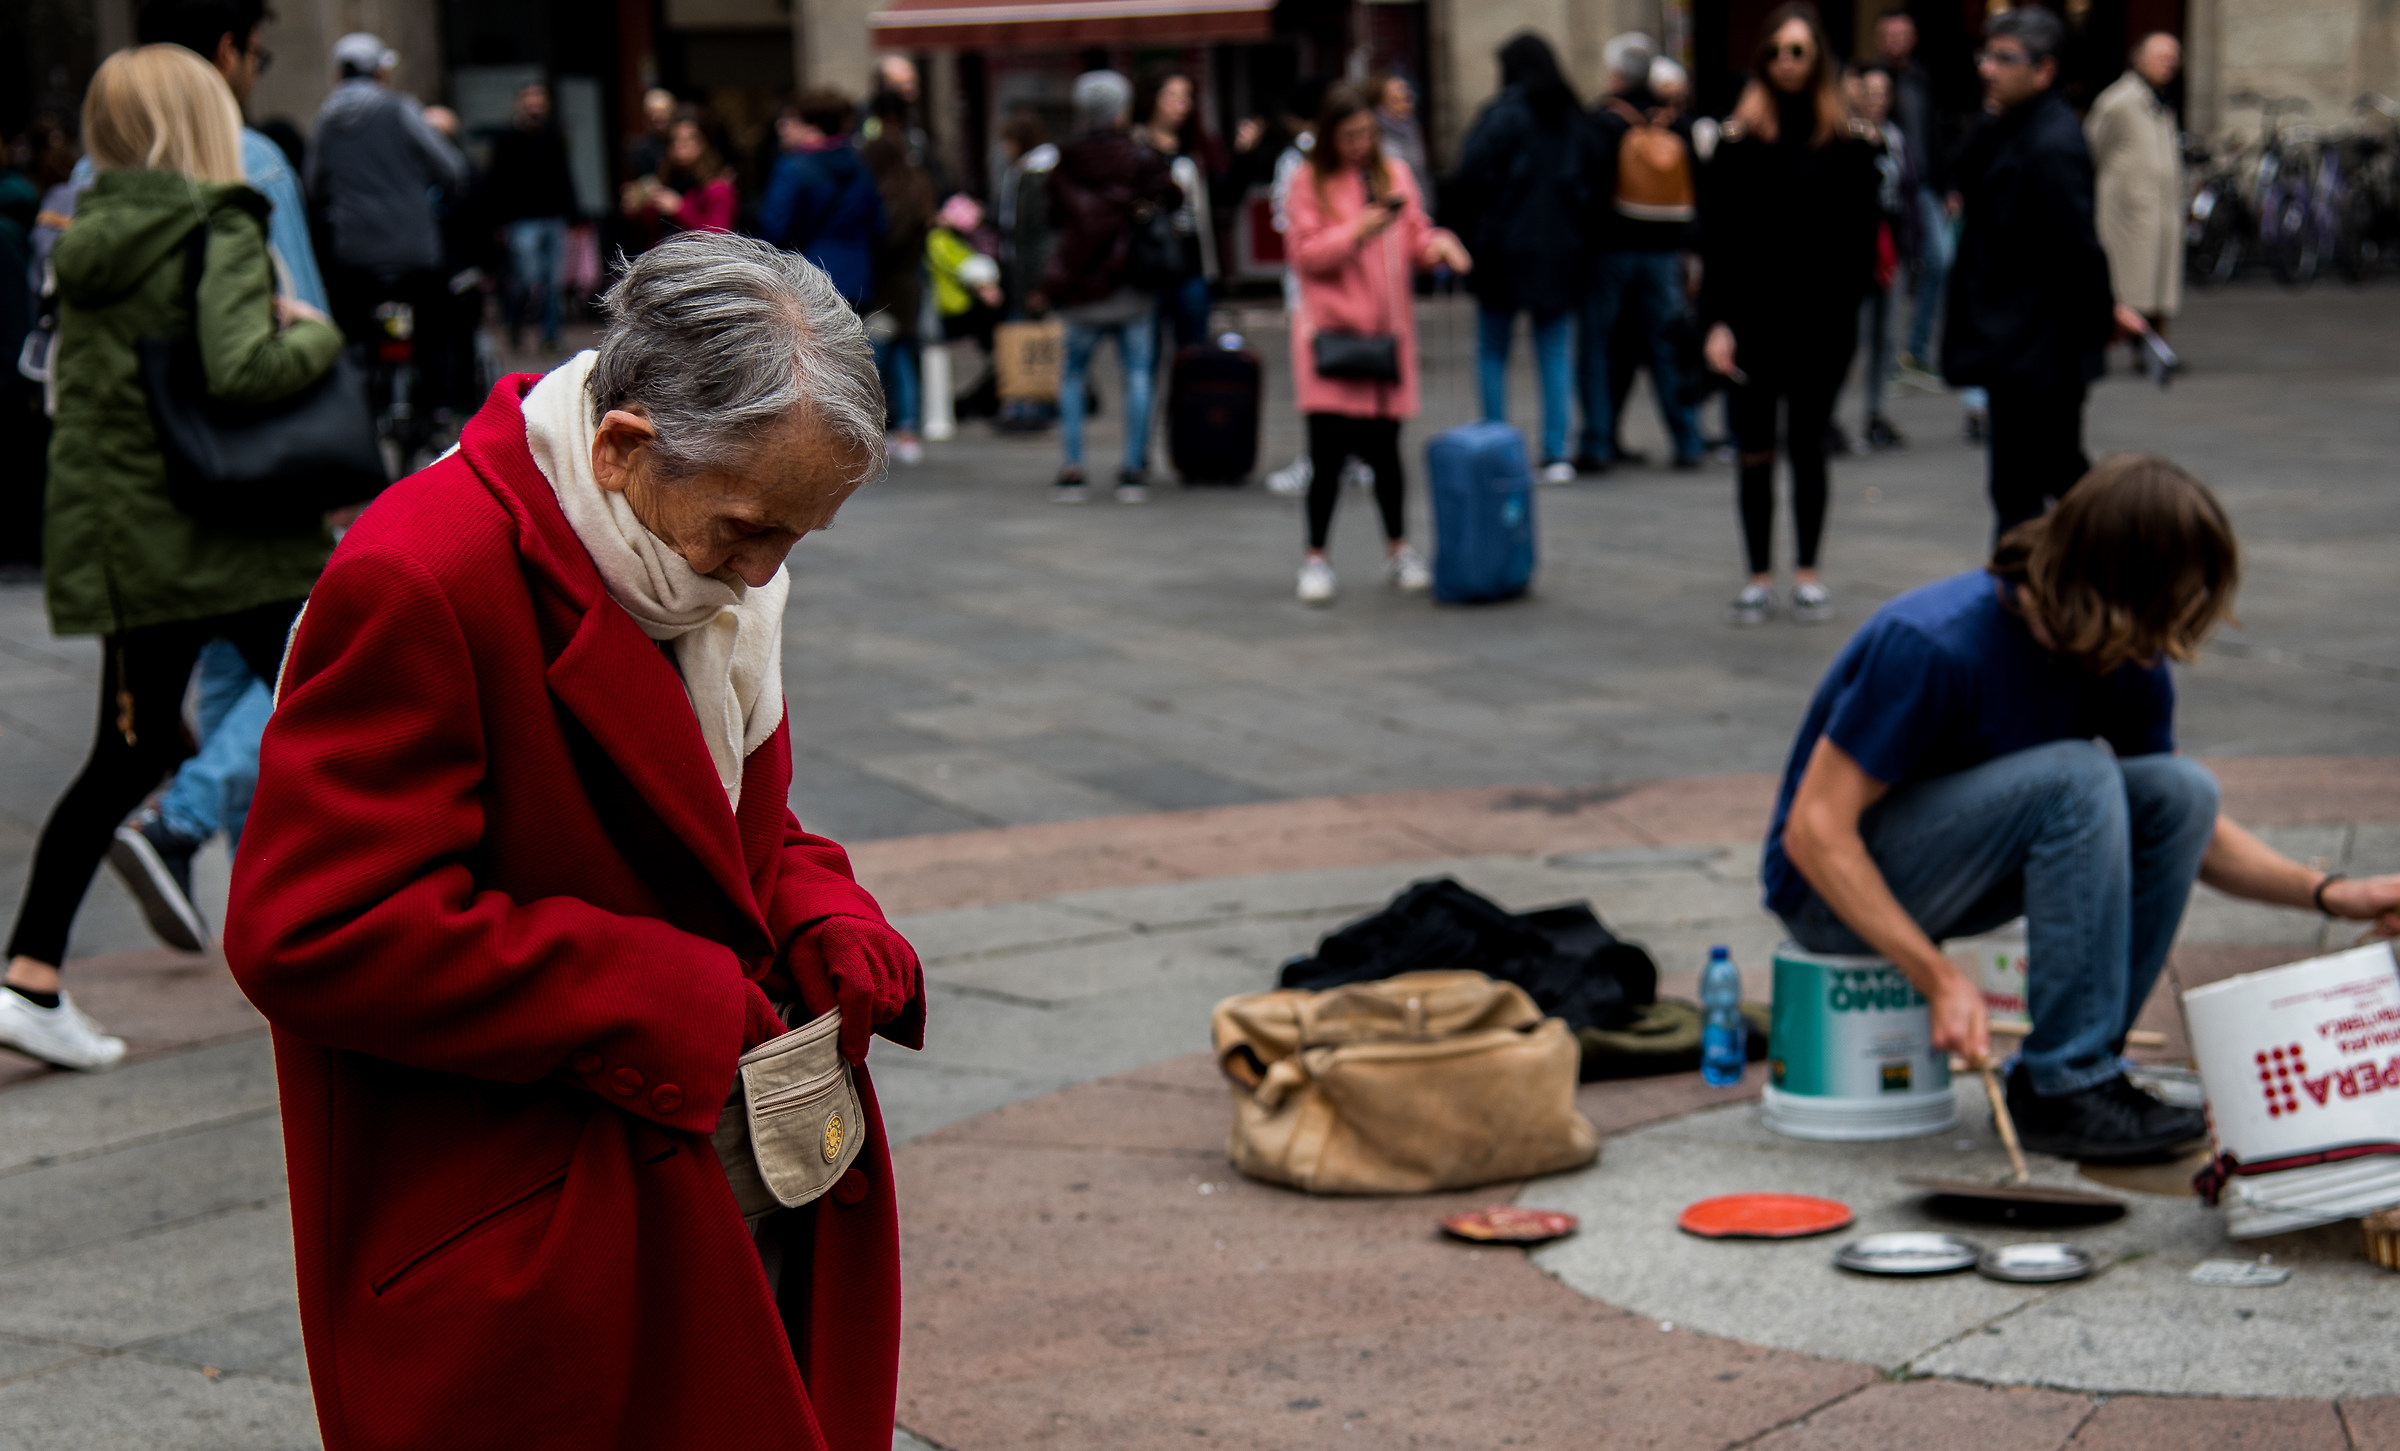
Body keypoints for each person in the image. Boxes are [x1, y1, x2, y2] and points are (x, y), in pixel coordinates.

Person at [222, 230, 923, 1448]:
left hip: (678, 1170)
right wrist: (653, 990)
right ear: (621, 445)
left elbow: (721, 824)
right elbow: (311, 929)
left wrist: (822, 906)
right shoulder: (422, 573)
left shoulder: (679, 559)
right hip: (532, 1218)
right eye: (751, 528)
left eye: (795, 540)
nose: (760, 578)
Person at [1767, 455, 2400, 1161]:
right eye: (2170, 602)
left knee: (2180, 790)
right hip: (1829, 898)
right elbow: (1814, 832)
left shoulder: (2126, 650)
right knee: (2077, 776)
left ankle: (2077, 1073)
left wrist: (2333, 893)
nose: (2174, 629)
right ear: (2112, 585)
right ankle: (2068, 1083)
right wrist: (1937, 978)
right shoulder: (1934, 640)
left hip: (1955, 872)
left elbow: (2185, 831)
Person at [0, 44, 343, 1071]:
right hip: (232, 538)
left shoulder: (84, 233)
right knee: (357, 696)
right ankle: (373, 942)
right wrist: (313, 334)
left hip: (133, 540)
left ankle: (33, 974)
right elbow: (240, 370)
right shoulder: (217, 223)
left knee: (138, 748)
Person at [66, 0, 335, 952]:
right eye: (257, 55)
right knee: (318, 658)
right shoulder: (244, 168)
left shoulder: (89, 187)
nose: (255, 74)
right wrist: (317, 343)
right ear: (224, 55)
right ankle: (186, 823)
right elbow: (276, 331)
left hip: (143, 494)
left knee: (230, 683)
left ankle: (244, 889)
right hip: (245, 477)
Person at [1698, 2, 1882, 625]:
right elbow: (1717, 241)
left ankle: (1806, 571)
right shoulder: (1737, 142)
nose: (1786, 63)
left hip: (1820, 323)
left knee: (1808, 446)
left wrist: (1847, 314)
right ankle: (1757, 575)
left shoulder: (1849, 144)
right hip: (1752, 321)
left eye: (1799, 51)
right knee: (1753, 448)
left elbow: (1862, 243)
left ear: (1819, 59)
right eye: (1776, 51)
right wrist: (1716, 323)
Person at [1943, 5, 2135, 538]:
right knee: (2032, 480)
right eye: (1986, 55)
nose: (1988, 68)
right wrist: (1988, 116)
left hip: (2039, 344)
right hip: (2015, 340)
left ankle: (2095, 570)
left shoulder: (2051, 142)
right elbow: (1960, 172)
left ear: (2044, 69)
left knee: (2036, 483)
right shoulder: (2011, 124)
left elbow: (2078, 247)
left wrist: (2101, 316)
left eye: (2005, 59)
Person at [1285, 82, 1472, 605]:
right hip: (1331, 338)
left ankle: (1398, 548)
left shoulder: (1395, 174)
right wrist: (1357, 230)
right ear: (1329, 136)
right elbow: (1306, 255)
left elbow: (1415, 235)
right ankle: (1316, 556)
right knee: (1326, 454)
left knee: (1387, 453)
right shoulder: (1308, 182)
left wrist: (1440, 245)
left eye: (1366, 133)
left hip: (1388, 340)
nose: (1359, 145)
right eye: (1348, 136)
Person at [1448, 33, 1594, 485]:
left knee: (1493, 348)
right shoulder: (1571, 117)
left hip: (1503, 252)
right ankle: (1557, 451)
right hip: (1559, 252)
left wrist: (1472, 234)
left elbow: (1467, 180)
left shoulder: (1501, 117)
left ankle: (1498, 446)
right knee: (1553, 350)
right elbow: (1590, 183)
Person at [1038, 70, 1180, 504]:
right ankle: (1133, 469)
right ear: (1121, 109)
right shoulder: (1140, 157)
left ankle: (1074, 468)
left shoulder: (1065, 160)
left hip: (1080, 285)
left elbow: (1051, 217)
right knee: (1138, 372)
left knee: (1073, 374)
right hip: (1130, 281)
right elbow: (1173, 197)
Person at [1582, 30, 1708, 475]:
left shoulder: (1604, 121)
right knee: (1667, 345)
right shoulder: (1669, 119)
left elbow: (1590, 190)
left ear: (1616, 74)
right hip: (1663, 251)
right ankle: (1688, 437)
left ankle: (1597, 440)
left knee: (1598, 346)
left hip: (1612, 250)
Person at [308, 32, 465, 348]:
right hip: (413, 247)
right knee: (434, 326)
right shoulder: (400, 109)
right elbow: (451, 168)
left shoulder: (325, 121)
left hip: (353, 249)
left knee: (356, 333)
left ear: (339, 74)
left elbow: (313, 185)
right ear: (379, 71)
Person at [2087, 34, 2184, 346]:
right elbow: (2091, 148)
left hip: (2159, 210)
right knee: (2130, 283)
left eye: (2172, 58)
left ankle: (2155, 348)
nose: (2167, 64)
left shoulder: (2160, 102)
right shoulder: (2118, 101)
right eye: (2160, 57)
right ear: (2138, 58)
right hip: (2128, 213)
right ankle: (2125, 344)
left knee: (2157, 285)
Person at [1879, 11, 1954, 385]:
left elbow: (1937, 136)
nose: (1896, 41)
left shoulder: (1922, 79)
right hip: (1890, 193)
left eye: (1902, 34)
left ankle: (1916, 348)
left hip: (1924, 186)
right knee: (1893, 273)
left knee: (1940, 260)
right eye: (1890, 34)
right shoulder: (1876, 80)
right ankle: (1889, 356)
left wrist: (1948, 186)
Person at [758, 89, 884, 311]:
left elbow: (774, 228)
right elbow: (879, 225)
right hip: (858, 278)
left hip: (808, 278)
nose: (781, 127)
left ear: (812, 125)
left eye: (790, 120)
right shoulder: (860, 165)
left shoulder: (793, 169)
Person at [861, 91, 933, 467]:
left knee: (885, 357)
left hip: (891, 289)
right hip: (909, 287)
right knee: (902, 355)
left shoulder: (894, 199)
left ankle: (900, 427)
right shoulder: (917, 188)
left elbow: (887, 240)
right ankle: (905, 427)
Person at [485, 81, 578, 355]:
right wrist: (496, 221)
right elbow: (496, 181)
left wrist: (573, 213)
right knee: (527, 278)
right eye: (530, 98)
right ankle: (514, 320)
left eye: (540, 98)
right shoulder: (507, 138)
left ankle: (550, 334)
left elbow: (564, 175)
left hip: (553, 217)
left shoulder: (553, 135)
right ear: (520, 102)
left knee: (553, 282)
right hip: (521, 220)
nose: (535, 103)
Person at [1132, 72, 1221, 351]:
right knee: (1147, 354)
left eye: (1187, 96)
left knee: (1193, 352)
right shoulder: (1134, 147)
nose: (1182, 103)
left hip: (1191, 263)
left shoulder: (1196, 149)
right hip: (1149, 266)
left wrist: (1245, 157)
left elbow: (1222, 198)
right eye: (1173, 95)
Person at [1850, 64, 1912, 452]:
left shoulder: (1896, 137)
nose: (1875, 100)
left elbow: (1908, 190)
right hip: (1857, 249)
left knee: (1884, 337)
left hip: (1890, 243)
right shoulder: (1846, 136)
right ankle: (1836, 418)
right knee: (1854, 336)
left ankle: (1874, 413)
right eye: (1868, 92)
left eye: (1882, 93)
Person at [623, 112, 739, 240]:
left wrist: (679, 209)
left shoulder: (719, 189)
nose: (680, 145)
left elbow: (718, 236)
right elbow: (647, 236)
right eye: (675, 139)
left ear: (705, 143)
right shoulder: (664, 182)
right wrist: (637, 208)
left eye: (690, 139)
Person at [1372, 73, 1432, 202]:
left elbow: (1421, 175)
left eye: (1407, 97)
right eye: (1396, 99)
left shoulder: (1412, 128)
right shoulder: (1377, 136)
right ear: (1381, 104)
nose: (1406, 104)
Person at [624, 86, 677, 182]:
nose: (657, 116)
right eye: (653, 112)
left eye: (662, 111)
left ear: (673, 113)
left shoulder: (682, 141)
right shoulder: (641, 150)